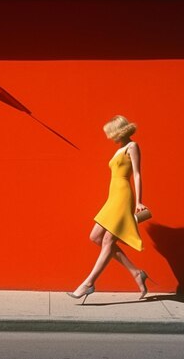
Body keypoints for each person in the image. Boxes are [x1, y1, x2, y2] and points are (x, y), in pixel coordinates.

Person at [67, 115, 151, 304]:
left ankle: (89, 283)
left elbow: (137, 174)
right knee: (95, 237)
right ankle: (137, 273)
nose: (109, 137)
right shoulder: (119, 149)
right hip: (112, 197)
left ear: (118, 130)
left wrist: (139, 201)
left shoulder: (132, 146)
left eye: (111, 132)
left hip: (123, 196)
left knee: (107, 240)